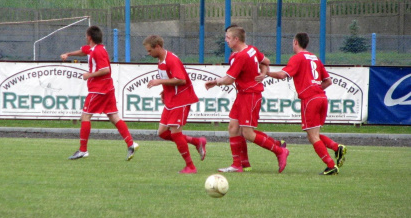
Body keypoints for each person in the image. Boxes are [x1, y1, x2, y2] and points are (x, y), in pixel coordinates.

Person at [205, 25, 289, 173]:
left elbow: (229, 80)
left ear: (236, 39)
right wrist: (263, 73)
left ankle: (279, 151)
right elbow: (266, 61)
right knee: (233, 128)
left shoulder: (241, 56)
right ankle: (240, 164)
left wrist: (214, 82)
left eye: (228, 38)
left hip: (250, 95)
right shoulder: (252, 49)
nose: (226, 40)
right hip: (243, 95)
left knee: (248, 133)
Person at [266, 32, 347, 175]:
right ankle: (336, 148)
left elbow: (282, 75)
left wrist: (267, 72)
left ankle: (331, 165)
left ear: (296, 42)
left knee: (313, 136)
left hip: (310, 100)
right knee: (313, 134)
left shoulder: (297, 58)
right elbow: (328, 81)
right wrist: (316, 89)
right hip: (322, 98)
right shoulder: (315, 58)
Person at [61, 25, 139, 161]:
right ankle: (131, 144)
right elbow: (83, 51)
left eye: (86, 35)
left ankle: (83, 150)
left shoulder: (98, 52)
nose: (85, 37)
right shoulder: (94, 49)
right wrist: (68, 54)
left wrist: (89, 75)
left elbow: (105, 70)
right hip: (107, 89)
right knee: (114, 117)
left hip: (99, 89)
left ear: (89, 37)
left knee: (85, 116)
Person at [143, 35, 207, 174]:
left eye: (149, 51)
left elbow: (181, 80)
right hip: (171, 100)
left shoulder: (171, 59)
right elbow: (170, 79)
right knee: (162, 133)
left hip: (181, 100)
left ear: (157, 47)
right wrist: (164, 91)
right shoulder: (161, 60)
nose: (149, 54)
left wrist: (159, 82)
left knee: (176, 133)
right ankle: (197, 141)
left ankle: (190, 166)